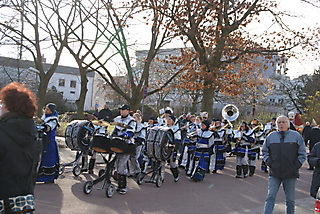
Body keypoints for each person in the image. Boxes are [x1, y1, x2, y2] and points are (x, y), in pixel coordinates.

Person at [0, 82, 42, 213]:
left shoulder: (2, 131)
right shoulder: (34, 135)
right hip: (23, 202)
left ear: (8, 106)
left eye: (2, 102)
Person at [262, 115, 306, 214]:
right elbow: (264, 151)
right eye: (279, 122)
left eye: (283, 122)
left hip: (290, 173)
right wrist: (269, 163)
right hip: (275, 172)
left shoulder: (296, 136)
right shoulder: (271, 136)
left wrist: (296, 165)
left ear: (288, 124)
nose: (281, 124)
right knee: (270, 196)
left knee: (290, 199)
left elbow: (302, 153)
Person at [112, 104, 136, 195]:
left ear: (128, 111)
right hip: (118, 143)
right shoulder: (117, 119)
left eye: (123, 110)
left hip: (127, 145)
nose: (121, 111)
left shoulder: (131, 121)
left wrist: (125, 135)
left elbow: (131, 132)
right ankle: (118, 185)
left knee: (122, 165)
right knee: (117, 165)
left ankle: (123, 187)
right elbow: (115, 130)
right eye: (121, 110)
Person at [37, 103, 60, 183]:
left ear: (51, 111)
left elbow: (48, 128)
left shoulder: (53, 119)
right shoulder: (44, 117)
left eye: (47, 109)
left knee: (49, 160)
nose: (45, 111)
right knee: (41, 159)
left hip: (49, 142)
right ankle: (39, 177)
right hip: (43, 141)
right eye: (45, 109)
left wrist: (40, 126)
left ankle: (49, 178)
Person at [128, 113, 146, 177]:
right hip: (131, 143)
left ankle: (138, 171)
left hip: (138, 144)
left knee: (134, 157)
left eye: (134, 117)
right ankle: (132, 171)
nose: (133, 118)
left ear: (138, 118)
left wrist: (137, 139)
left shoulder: (142, 126)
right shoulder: (132, 125)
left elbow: (143, 136)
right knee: (130, 157)